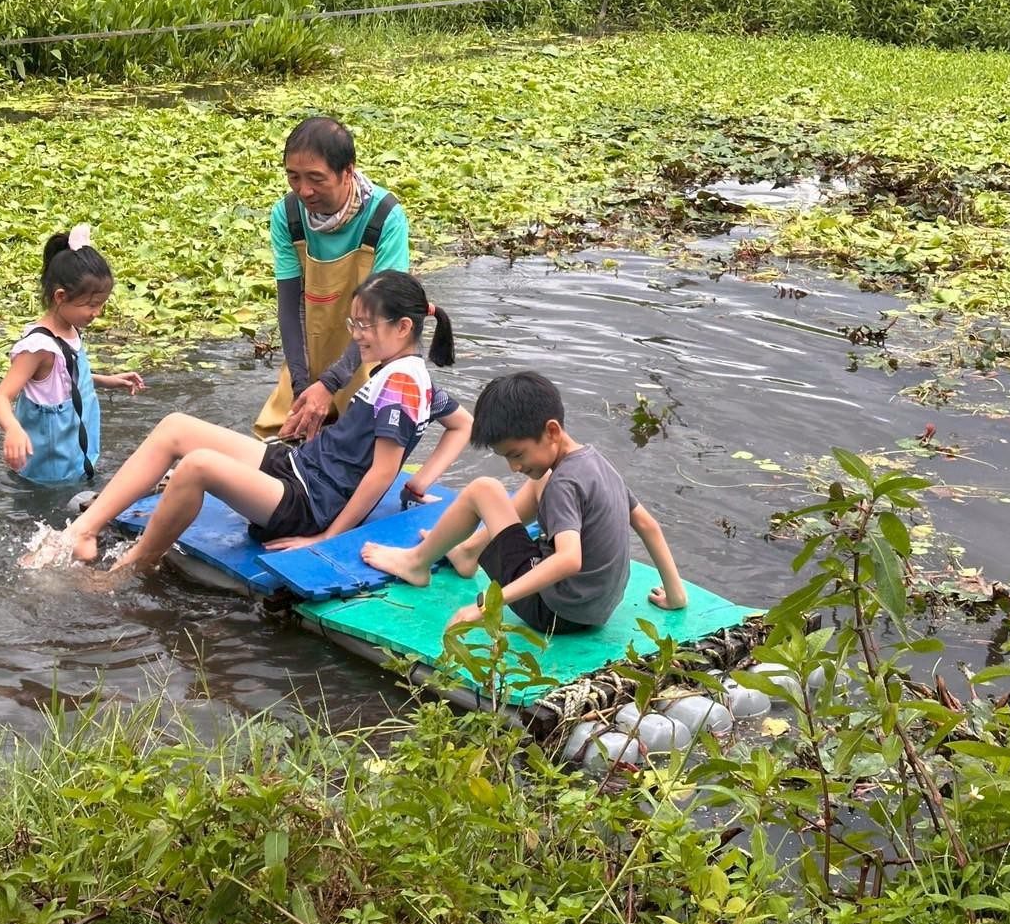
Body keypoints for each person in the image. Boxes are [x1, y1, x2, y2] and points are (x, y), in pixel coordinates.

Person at [57, 271, 471, 573]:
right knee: (176, 426)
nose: (356, 334)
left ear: (402, 327)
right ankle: (85, 529)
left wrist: (328, 538)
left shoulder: (403, 384)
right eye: (353, 324)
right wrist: (419, 483)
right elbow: (462, 424)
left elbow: (381, 473)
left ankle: (133, 566)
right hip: (300, 470)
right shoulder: (411, 376)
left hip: (310, 505)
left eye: (364, 325)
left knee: (198, 466)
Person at [361, 371, 689, 633]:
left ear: (551, 431)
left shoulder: (565, 483)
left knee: (483, 489)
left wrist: (488, 605)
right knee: (539, 479)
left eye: (517, 455)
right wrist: (676, 596)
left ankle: (416, 564)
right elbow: (647, 524)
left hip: (554, 612)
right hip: (596, 609)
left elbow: (569, 560)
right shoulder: (594, 462)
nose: (514, 467)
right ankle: (467, 551)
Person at [254, 116, 411, 442]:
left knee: (356, 449)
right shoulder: (288, 215)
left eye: (316, 179)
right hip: (312, 352)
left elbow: (381, 314)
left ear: (347, 171)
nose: (304, 190)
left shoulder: (384, 217)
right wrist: (302, 385)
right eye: (293, 177)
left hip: (371, 354)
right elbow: (289, 305)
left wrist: (331, 383)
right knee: (278, 444)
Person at [0, 224, 145, 485]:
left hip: (76, 459)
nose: (97, 313)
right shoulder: (39, 347)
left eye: (102, 305)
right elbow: (0, 398)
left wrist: (107, 380)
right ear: (61, 296)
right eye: (92, 305)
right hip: (47, 476)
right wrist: (13, 429)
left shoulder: (70, 328)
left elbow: (63, 379)